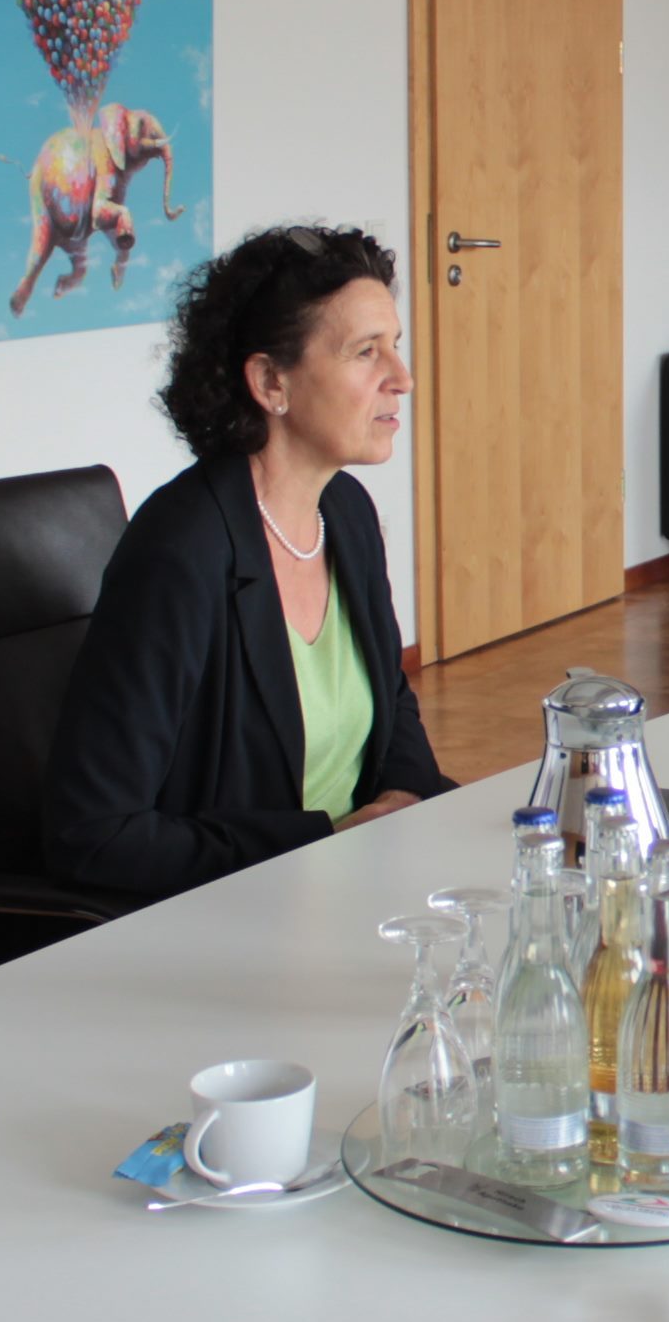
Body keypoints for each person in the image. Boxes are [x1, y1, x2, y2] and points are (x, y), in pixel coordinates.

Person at [44, 224, 451, 896]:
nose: (401, 379)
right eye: (365, 353)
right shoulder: (182, 550)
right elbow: (93, 836)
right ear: (269, 382)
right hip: (243, 914)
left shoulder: (344, 511)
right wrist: (325, 843)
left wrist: (403, 800)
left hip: (355, 884)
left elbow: (391, 695)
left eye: (396, 347)